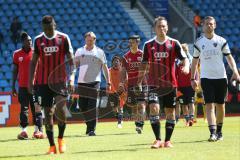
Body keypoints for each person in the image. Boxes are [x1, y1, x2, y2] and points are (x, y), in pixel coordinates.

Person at [138, 16, 189, 148]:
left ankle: (167, 141)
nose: (161, 28)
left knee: (170, 112)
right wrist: (139, 81)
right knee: (154, 108)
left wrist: (187, 66)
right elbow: (143, 65)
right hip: (153, 84)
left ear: (167, 28)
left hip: (170, 84)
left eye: (164, 26)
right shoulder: (148, 45)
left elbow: (185, 59)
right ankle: (157, 139)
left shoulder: (174, 43)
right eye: (159, 26)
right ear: (155, 28)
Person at [28, 15, 75, 154]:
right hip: (42, 83)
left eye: (50, 28)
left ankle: (61, 139)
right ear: (42, 28)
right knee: (48, 114)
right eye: (45, 29)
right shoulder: (38, 40)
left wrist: (72, 78)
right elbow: (33, 63)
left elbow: (71, 62)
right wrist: (30, 82)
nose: (48, 31)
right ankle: (52, 146)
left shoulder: (63, 38)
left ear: (54, 25)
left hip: (60, 81)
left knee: (61, 108)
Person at [191, 16, 240, 142]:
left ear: (215, 25)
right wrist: (193, 78)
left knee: (221, 106)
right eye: (206, 24)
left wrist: (235, 71)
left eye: (211, 24)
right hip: (206, 78)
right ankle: (212, 133)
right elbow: (194, 62)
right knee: (209, 105)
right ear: (203, 26)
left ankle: (219, 131)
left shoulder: (221, 41)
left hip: (221, 77)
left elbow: (229, 58)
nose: (209, 26)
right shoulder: (198, 42)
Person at [74, 31, 110, 136]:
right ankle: (89, 124)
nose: (90, 42)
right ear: (85, 39)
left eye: (92, 40)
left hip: (95, 82)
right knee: (82, 106)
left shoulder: (99, 52)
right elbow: (75, 66)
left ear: (95, 40)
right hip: (82, 83)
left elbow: (104, 68)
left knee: (92, 106)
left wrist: (108, 81)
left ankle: (91, 130)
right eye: (88, 40)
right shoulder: (79, 51)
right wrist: (71, 77)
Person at [12, 32, 44, 140]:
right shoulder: (17, 54)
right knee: (24, 109)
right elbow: (15, 71)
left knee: (37, 108)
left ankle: (37, 131)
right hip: (22, 87)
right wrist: (13, 86)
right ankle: (24, 131)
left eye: (31, 40)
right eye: (28, 40)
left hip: (35, 86)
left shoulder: (36, 53)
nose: (30, 42)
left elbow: (42, 69)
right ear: (23, 42)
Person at [122, 35, 147, 134]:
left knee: (141, 104)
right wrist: (123, 83)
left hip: (142, 84)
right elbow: (124, 72)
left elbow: (147, 69)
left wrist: (140, 82)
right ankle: (137, 123)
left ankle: (140, 124)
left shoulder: (143, 55)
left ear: (138, 42)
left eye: (133, 42)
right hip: (131, 85)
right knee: (133, 106)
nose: (131, 44)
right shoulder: (125, 57)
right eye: (130, 42)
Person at [176, 43, 195, 126]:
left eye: (185, 50)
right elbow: (175, 74)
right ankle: (187, 120)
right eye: (183, 50)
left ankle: (191, 118)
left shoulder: (191, 60)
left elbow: (195, 72)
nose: (184, 51)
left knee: (191, 102)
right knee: (183, 104)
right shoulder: (177, 62)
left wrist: (196, 80)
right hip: (180, 86)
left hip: (190, 85)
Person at [108, 55, 127, 128]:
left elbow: (126, 79)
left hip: (121, 92)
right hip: (112, 92)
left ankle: (119, 122)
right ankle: (119, 117)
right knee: (114, 109)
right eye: (114, 61)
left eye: (117, 61)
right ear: (112, 62)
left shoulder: (122, 71)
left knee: (120, 107)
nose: (116, 62)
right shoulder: (109, 70)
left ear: (120, 63)